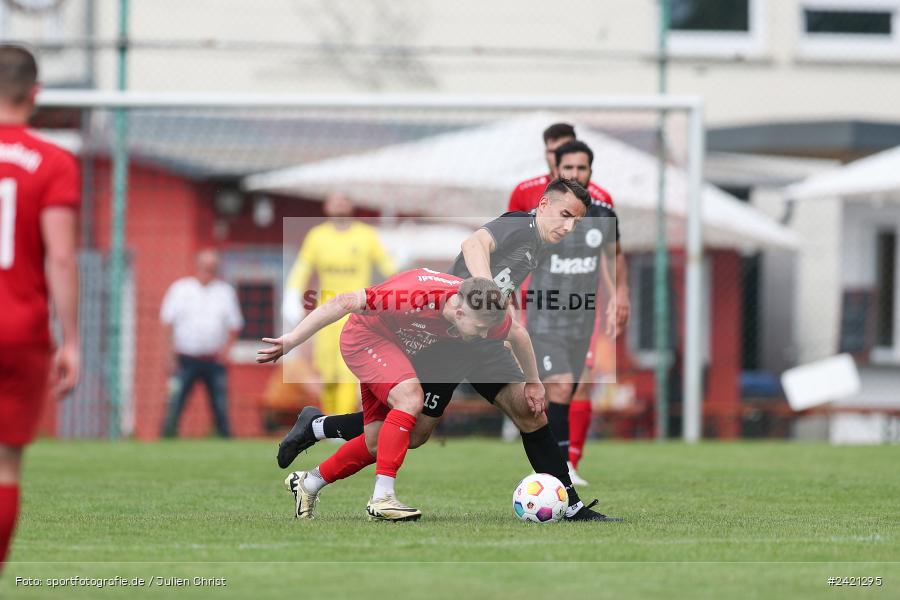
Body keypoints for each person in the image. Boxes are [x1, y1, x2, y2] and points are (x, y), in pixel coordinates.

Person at [277, 178, 621, 521]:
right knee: (408, 433)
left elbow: (517, 331)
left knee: (530, 413)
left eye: (575, 220)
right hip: (448, 338)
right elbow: (474, 244)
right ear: (543, 205)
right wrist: (488, 291)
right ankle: (318, 430)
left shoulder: (542, 243)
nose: (568, 225)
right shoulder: (520, 223)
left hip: (483, 337)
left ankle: (571, 505)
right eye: (564, 214)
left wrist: (531, 378)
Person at [258, 271, 531, 521]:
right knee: (411, 398)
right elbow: (342, 302)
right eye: (480, 328)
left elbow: (518, 334)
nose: (485, 335)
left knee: (377, 442)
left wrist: (535, 384)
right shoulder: (412, 295)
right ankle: (382, 498)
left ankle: (309, 483)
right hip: (365, 337)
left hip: (394, 349)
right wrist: (292, 340)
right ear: (459, 311)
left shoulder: (482, 311)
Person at [0, 44, 80, 567]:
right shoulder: (53, 162)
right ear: (35, 94)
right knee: (6, 464)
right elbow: (62, 257)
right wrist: (70, 338)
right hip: (20, 328)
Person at [527, 140, 630, 486]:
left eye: (581, 168)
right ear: (556, 170)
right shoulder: (540, 215)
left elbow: (614, 257)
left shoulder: (602, 215)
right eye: (568, 168)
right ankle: (558, 467)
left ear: (590, 171)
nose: (575, 174)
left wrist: (620, 295)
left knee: (574, 388)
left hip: (583, 317)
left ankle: (565, 461)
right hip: (544, 317)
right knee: (558, 386)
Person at [282, 192, 395, 416]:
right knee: (327, 372)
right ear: (327, 206)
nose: (340, 204)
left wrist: (403, 285)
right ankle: (331, 423)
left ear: (351, 205)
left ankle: (340, 423)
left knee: (348, 371)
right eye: (336, 200)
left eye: (345, 199)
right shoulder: (317, 236)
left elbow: (387, 266)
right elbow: (302, 267)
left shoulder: (366, 235)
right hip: (326, 314)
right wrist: (291, 293)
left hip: (356, 312)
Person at [160, 249, 243, 438]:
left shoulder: (225, 292)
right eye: (205, 266)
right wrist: (169, 355)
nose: (209, 270)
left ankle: (225, 440)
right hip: (185, 358)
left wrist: (226, 350)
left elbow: (235, 325)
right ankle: (166, 438)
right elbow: (167, 323)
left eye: (213, 267)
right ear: (197, 265)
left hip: (214, 360)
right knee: (175, 402)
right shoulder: (180, 289)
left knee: (220, 406)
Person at [507, 122, 615, 213]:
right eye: (553, 151)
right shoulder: (523, 191)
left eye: (565, 149)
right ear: (546, 153)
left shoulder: (601, 198)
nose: (558, 155)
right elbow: (510, 235)